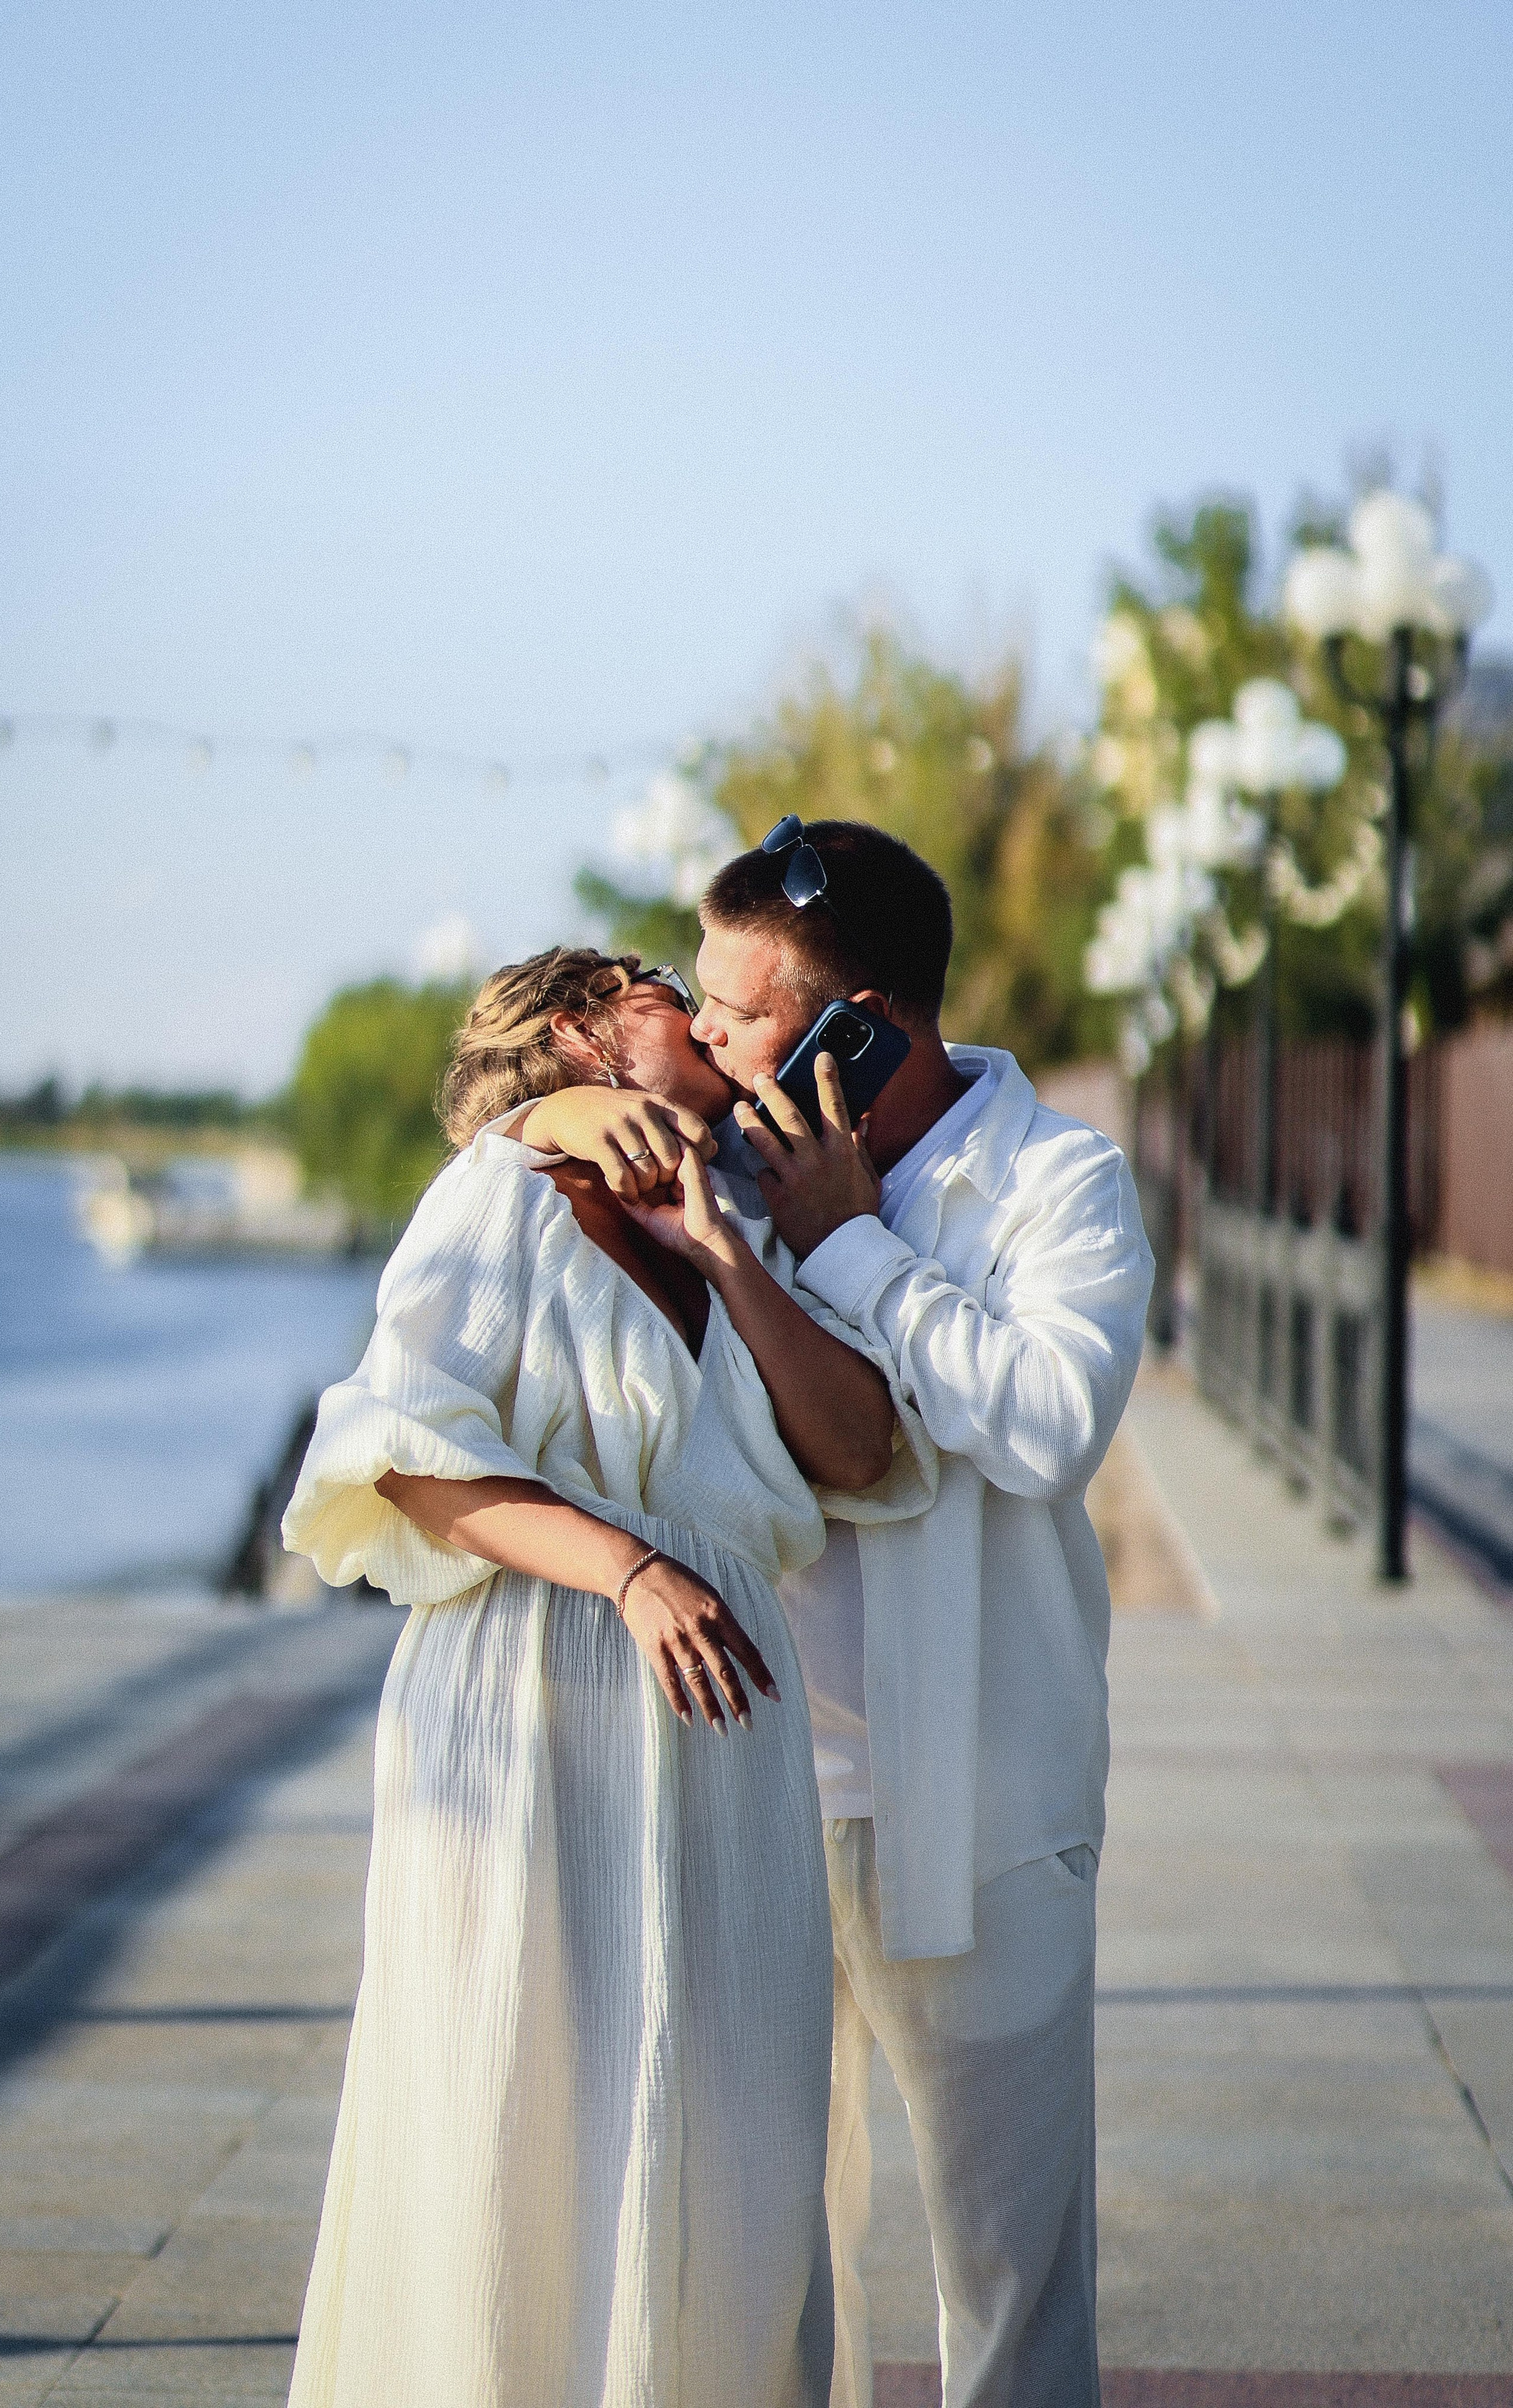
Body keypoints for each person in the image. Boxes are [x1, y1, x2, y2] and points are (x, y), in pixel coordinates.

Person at [522, 823, 1154, 2408]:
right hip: (752, 1806)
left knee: (1006, 2289)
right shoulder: (721, 1154)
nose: (710, 1040)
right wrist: (575, 1105)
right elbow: (514, 1145)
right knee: (761, 2273)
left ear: (857, 1023)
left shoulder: (1056, 1181)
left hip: (982, 1821)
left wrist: (850, 1249)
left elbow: (1045, 1424)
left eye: (739, 1013)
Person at [279, 946, 936, 2408]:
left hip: (722, 1757)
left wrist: (716, 1246)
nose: (698, 1015)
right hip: (531, 1704)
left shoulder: (745, 1223)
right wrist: (626, 1572)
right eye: (655, 986)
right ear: (579, 1028)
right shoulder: (501, 1193)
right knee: (515, 2127)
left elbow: (857, 1453)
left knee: (733, 2148)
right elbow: (402, 1464)